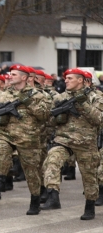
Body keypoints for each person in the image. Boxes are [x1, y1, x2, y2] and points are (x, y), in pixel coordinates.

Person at [0, 65, 49, 214]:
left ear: (24, 77)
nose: (10, 76)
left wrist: (27, 102)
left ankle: (35, 199)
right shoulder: (3, 95)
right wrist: (0, 119)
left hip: (28, 139)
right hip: (6, 136)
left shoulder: (38, 95)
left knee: (31, 173)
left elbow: (44, 116)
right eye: (10, 74)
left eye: (14, 74)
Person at [41, 68, 103, 220]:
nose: (66, 81)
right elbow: (49, 120)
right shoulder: (60, 97)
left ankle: (90, 205)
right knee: (52, 160)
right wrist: (58, 118)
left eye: (70, 78)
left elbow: (99, 119)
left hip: (86, 142)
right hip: (63, 140)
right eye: (65, 78)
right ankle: (53, 195)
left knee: (89, 177)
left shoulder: (96, 97)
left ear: (81, 80)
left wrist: (84, 105)